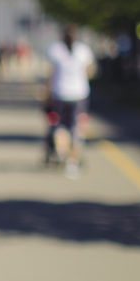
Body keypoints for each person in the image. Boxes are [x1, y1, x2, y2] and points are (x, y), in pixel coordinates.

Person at [43, 24, 95, 176]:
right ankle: (72, 161)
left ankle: (62, 153)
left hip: (59, 93)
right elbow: (90, 72)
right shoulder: (83, 51)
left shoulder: (55, 50)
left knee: (60, 127)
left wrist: (46, 94)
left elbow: (50, 75)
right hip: (79, 94)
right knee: (77, 128)